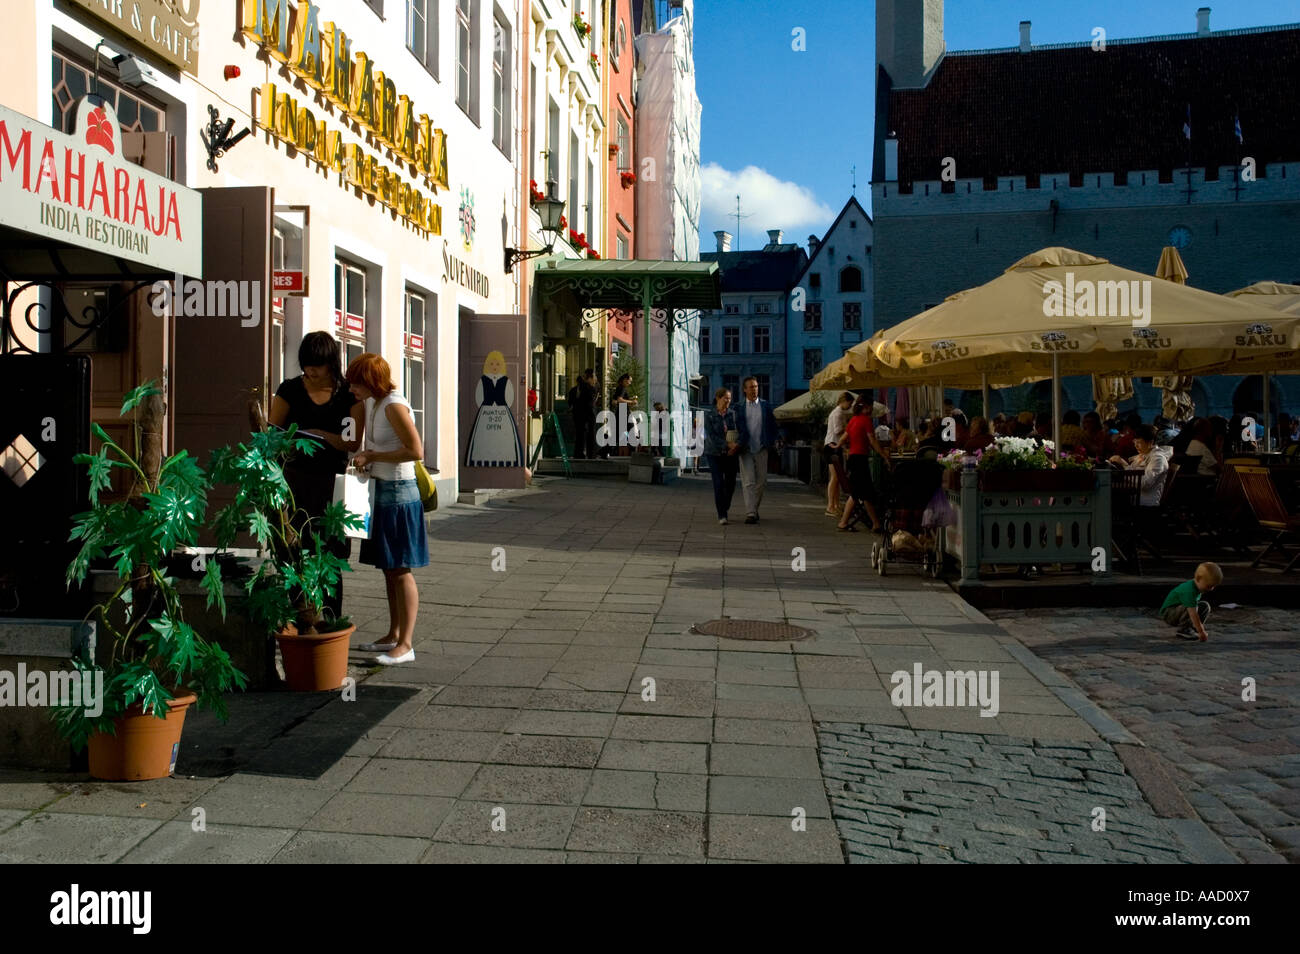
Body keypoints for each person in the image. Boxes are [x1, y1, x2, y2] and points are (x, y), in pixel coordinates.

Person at [269, 331, 364, 623]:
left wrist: (321, 435)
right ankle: (302, 617)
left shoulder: (348, 395)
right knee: (294, 550)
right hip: (295, 482)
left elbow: (351, 442)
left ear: (330, 363)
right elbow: (272, 432)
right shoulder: (290, 390)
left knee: (332, 555)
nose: (310, 370)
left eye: (317, 365)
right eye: (306, 364)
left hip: (332, 485)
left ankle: (331, 620)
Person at [346, 353, 428, 665]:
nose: (351, 388)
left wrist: (372, 456)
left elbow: (415, 451)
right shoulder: (373, 402)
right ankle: (394, 633)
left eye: (356, 382)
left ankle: (406, 644)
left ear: (371, 382)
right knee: (388, 567)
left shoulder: (394, 404)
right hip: (381, 489)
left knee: (400, 567)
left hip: (399, 492)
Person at [837, 397, 889, 533]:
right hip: (860, 459)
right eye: (871, 406)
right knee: (864, 492)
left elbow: (844, 437)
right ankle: (874, 523)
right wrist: (884, 455)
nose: (871, 409)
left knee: (859, 492)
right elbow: (872, 441)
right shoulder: (866, 420)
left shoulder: (853, 420)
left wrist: (838, 446)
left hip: (853, 459)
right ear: (866, 407)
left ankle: (848, 522)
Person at [734, 376, 780, 524]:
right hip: (745, 448)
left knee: (761, 481)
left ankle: (754, 508)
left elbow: (773, 426)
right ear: (745, 389)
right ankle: (751, 513)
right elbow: (735, 427)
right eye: (751, 387)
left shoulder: (766, 406)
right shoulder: (739, 407)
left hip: (762, 447)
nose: (754, 389)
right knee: (749, 481)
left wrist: (774, 441)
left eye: (756, 387)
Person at [1109, 424, 1171, 506]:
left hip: (1145, 504)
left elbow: (1145, 483)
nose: (1135, 445)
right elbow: (1132, 470)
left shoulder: (1158, 459)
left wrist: (1125, 466)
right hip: (1133, 498)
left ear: (1150, 442)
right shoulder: (1143, 455)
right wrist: (1122, 464)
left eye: (1139, 442)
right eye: (1134, 442)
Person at [703, 388, 740, 524]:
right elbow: (711, 436)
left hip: (731, 454)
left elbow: (738, 431)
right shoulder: (709, 415)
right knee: (718, 483)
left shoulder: (733, 414)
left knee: (730, 484)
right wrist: (726, 445)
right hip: (714, 453)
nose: (728, 401)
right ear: (718, 398)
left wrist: (735, 446)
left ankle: (725, 505)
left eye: (729, 398)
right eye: (726, 398)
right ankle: (722, 515)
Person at [1159, 561, 1222, 641]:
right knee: (1190, 607)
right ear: (1199, 579)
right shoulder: (1189, 590)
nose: (1211, 589)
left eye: (1213, 586)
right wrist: (1201, 632)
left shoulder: (1197, 587)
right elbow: (1193, 613)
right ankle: (1184, 629)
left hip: (1179, 611)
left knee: (1205, 606)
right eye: (1209, 586)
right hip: (1168, 613)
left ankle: (1193, 628)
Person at [823, 391, 854, 517]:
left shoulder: (837, 412)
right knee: (835, 477)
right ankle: (830, 506)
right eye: (850, 403)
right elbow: (837, 430)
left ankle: (834, 505)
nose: (850, 406)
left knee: (835, 478)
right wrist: (849, 428)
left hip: (833, 445)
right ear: (844, 401)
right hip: (833, 446)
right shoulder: (838, 413)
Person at [569, 369, 598, 459]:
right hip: (589, 414)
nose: (595, 379)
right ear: (590, 377)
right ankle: (591, 454)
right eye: (594, 377)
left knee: (579, 435)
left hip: (577, 415)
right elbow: (592, 402)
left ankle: (578, 453)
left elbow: (570, 403)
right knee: (591, 434)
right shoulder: (591, 388)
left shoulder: (574, 390)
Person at [610, 373, 637, 455]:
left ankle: (605, 452)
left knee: (617, 435)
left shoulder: (619, 388)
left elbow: (614, 402)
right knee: (632, 432)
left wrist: (628, 400)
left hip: (620, 413)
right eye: (629, 381)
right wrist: (631, 402)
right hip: (624, 414)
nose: (630, 383)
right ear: (625, 380)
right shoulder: (622, 388)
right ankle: (632, 453)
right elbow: (619, 399)